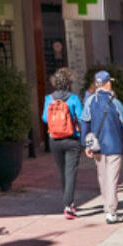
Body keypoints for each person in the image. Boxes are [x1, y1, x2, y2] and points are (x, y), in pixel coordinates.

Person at [80, 70, 123, 224]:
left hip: (97, 146)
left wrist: (86, 144)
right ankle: (111, 211)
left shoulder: (90, 101)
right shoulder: (115, 102)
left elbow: (85, 122)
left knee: (102, 177)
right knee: (112, 179)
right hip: (114, 145)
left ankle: (108, 206)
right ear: (107, 83)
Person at [43, 68, 85, 219]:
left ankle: (68, 203)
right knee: (71, 172)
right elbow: (81, 118)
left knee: (63, 172)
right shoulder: (73, 99)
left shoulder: (49, 98)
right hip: (71, 139)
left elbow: (44, 119)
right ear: (68, 83)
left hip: (54, 140)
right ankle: (69, 205)